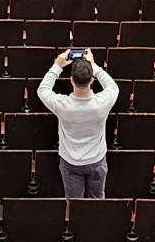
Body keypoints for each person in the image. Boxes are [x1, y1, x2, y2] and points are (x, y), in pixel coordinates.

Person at [39, 49, 120, 198]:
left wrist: (57, 65)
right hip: (96, 160)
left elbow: (42, 90)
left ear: (71, 80)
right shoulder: (102, 103)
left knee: (75, 206)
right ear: (91, 80)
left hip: (70, 162)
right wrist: (94, 66)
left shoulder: (62, 105)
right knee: (96, 202)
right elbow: (113, 86)